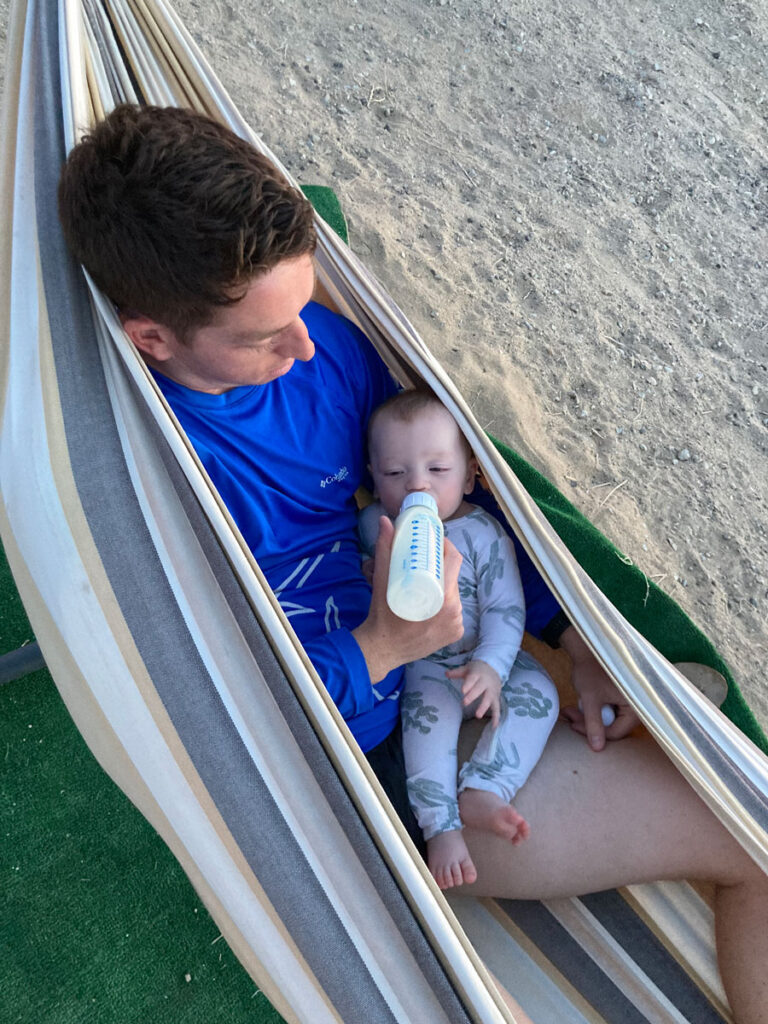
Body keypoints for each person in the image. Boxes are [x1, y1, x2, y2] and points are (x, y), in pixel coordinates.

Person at [58, 103, 768, 1023]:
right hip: (372, 765)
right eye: (265, 337)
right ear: (150, 338)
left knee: (732, 798)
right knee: (752, 845)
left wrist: (570, 637)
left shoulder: (325, 352)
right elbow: (222, 727)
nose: (307, 346)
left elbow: (440, 492)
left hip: (447, 657)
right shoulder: (140, 473)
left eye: (305, 305)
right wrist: (385, 647)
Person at [362, 391, 559, 888]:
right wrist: (369, 574)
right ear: (372, 475)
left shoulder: (483, 533)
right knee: (423, 733)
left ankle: (485, 787)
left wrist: (492, 667)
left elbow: (505, 609)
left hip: (485, 657)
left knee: (541, 695)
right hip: (425, 662)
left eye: (437, 470)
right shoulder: (374, 526)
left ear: (470, 474)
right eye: (395, 474)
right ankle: (441, 829)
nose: (417, 486)